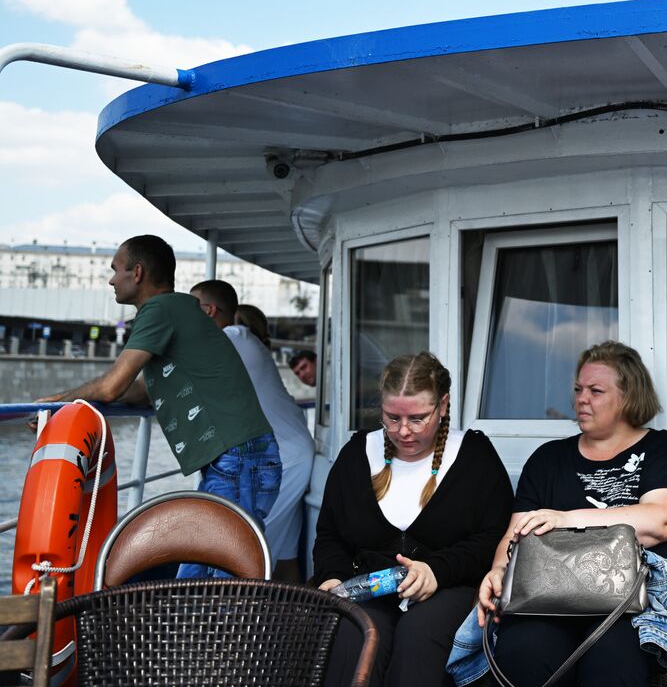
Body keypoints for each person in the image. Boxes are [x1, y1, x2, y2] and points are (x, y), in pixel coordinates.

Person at [36, 235, 280, 578]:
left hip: (237, 458)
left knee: (222, 579)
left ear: (137, 272)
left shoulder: (159, 310)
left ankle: (225, 631)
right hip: (238, 456)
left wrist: (57, 405)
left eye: (115, 270)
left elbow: (112, 386)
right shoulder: (179, 310)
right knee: (209, 572)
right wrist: (74, 402)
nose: (110, 279)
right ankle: (199, 631)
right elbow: (140, 391)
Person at [478, 341, 667, 687]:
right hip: (548, 597)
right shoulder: (549, 458)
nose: (581, 398)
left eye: (596, 391)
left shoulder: (664, 449)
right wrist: (497, 572)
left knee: (613, 662)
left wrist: (566, 519)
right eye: (579, 389)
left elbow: (662, 520)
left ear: (628, 397)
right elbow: (515, 534)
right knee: (524, 652)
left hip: (631, 602)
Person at [314, 351, 512, 687]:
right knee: (353, 635)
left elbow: (493, 538)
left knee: (420, 639)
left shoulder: (474, 456)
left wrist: (437, 571)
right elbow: (330, 533)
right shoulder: (356, 454)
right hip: (369, 589)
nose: (403, 431)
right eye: (391, 418)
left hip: (451, 587)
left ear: (443, 405)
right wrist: (333, 576)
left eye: (418, 418)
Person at [192, 282, 314, 582]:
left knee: (244, 546)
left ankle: (242, 623)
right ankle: (294, 623)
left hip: (281, 460)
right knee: (283, 554)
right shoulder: (243, 347)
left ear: (210, 311)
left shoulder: (233, 336)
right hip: (288, 455)